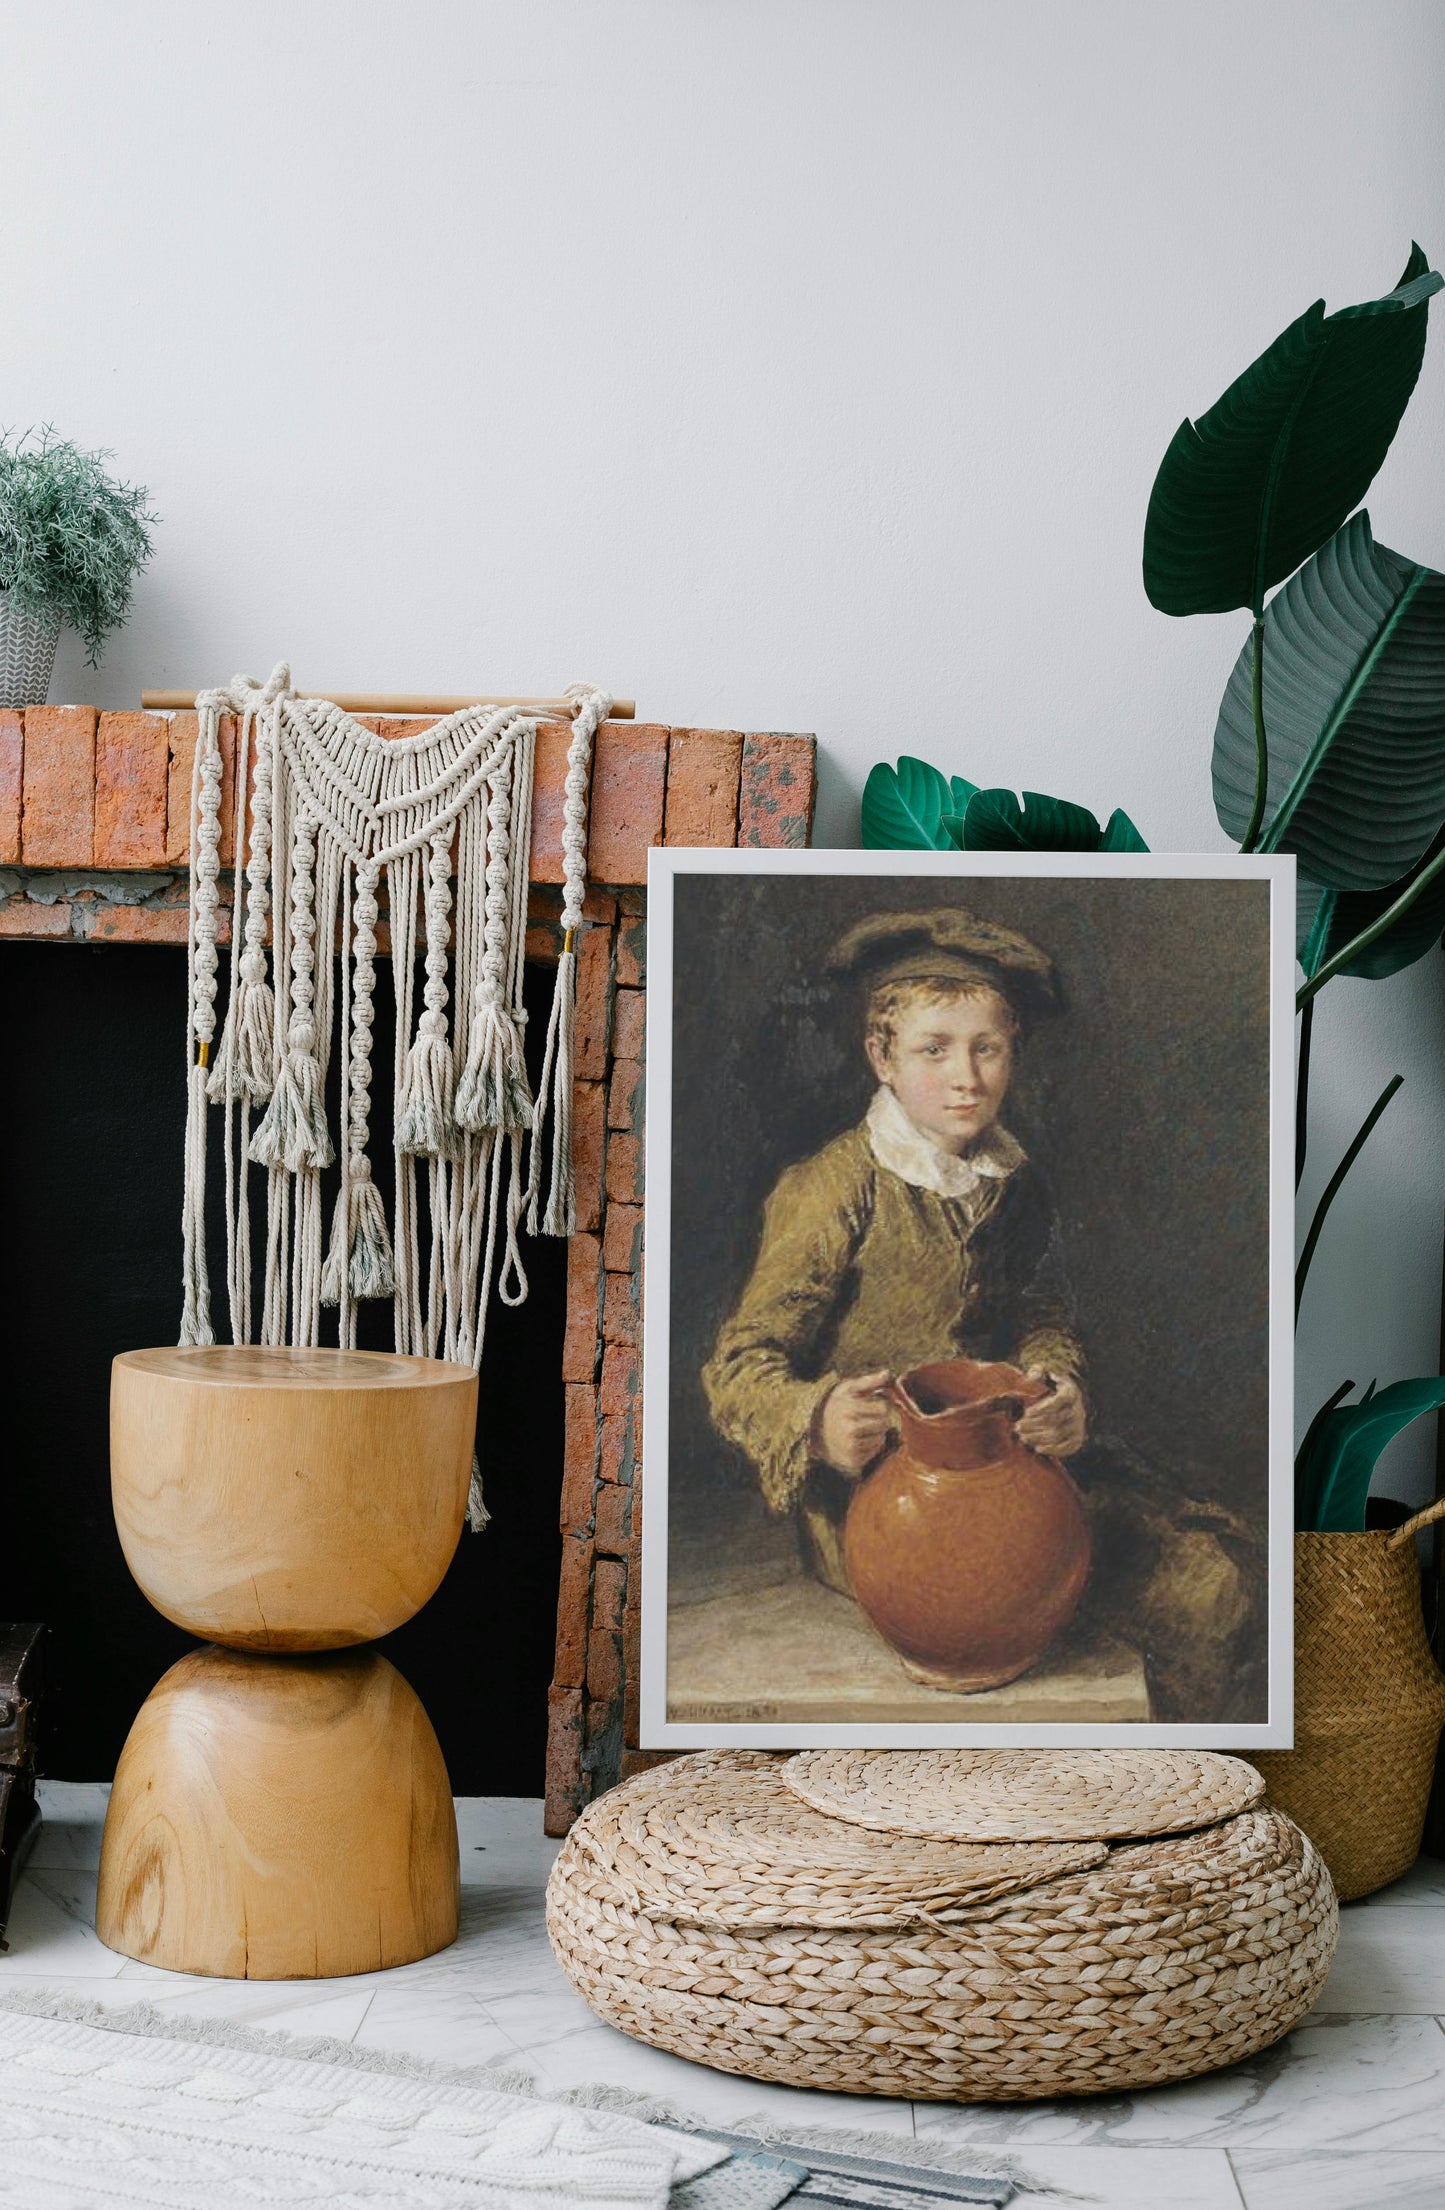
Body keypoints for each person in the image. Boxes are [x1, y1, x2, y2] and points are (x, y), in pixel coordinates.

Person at [702, 906, 1263, 1722]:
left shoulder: (1012, 1179)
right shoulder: (834, 1186)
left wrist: (1056, 1385)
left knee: (1223, 1574)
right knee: (1188, 1591)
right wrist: (817, 1416)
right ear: (881, 1057)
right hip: (883, 1502)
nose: (965, 1076)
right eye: (934, 1048)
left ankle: (1192, 1779)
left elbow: (1040, 1313)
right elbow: (739, 1365)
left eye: (986, 1047)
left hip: (1006, 1460)